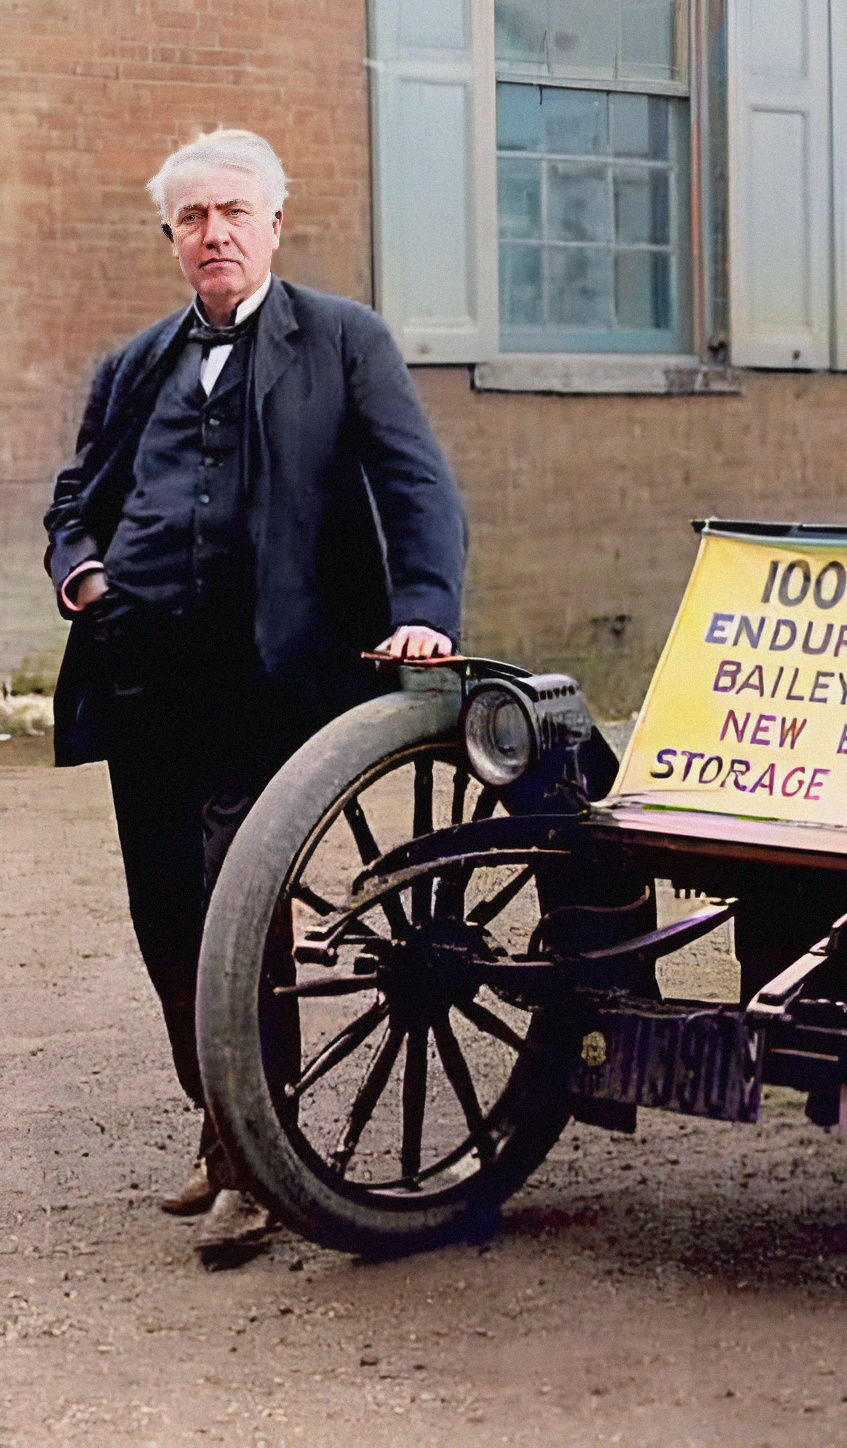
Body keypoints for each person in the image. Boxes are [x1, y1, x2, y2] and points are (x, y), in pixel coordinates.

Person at [42, 129, 466, 1264]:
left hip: (270, 677)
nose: (213, 233)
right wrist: (82, 573)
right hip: (145, 677)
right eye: (192, 218)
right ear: (171, 238)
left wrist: (424, 606)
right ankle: (221, 1122)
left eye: (233, 212)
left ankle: (254, 1160)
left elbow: (416, 483)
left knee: (241, 912)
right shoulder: (136, 364)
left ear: (275, 222)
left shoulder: (341, 341)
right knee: (165, 914)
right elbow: (73, 500)